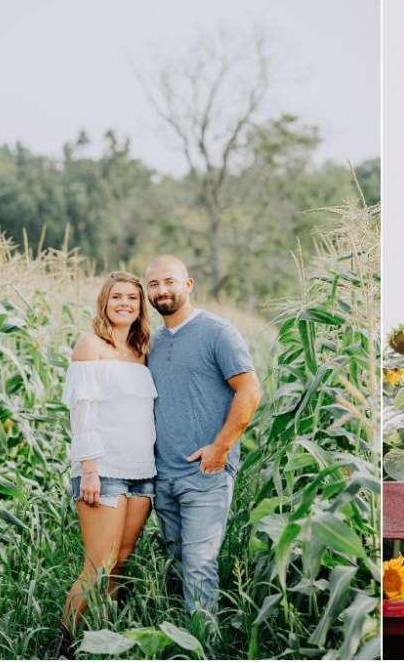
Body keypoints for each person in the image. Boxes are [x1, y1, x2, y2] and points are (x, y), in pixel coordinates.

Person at [144, 255, 261, 629]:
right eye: (153, 284)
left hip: (205, 474)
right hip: (163, 475)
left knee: (199, 566)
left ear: (188, 284)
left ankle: (204, 648)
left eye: (169, 281)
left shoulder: (217, 332)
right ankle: (180, 642)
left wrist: (220, 448)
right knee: (177, 564)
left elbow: (249, 391)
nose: (162, 290)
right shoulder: (152, 343)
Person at [62, 273, 157, 638]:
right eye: (117, 296)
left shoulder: (141, 351)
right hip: (103, 471)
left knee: (120, 562)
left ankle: (103, 639)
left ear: (140, 306)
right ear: (104, 301)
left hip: (142, 471)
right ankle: (65, 646)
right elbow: (82, 414)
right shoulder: (91, 345)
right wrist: (89, 469)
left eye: (132, 298)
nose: (124, 303)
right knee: (98, 565)